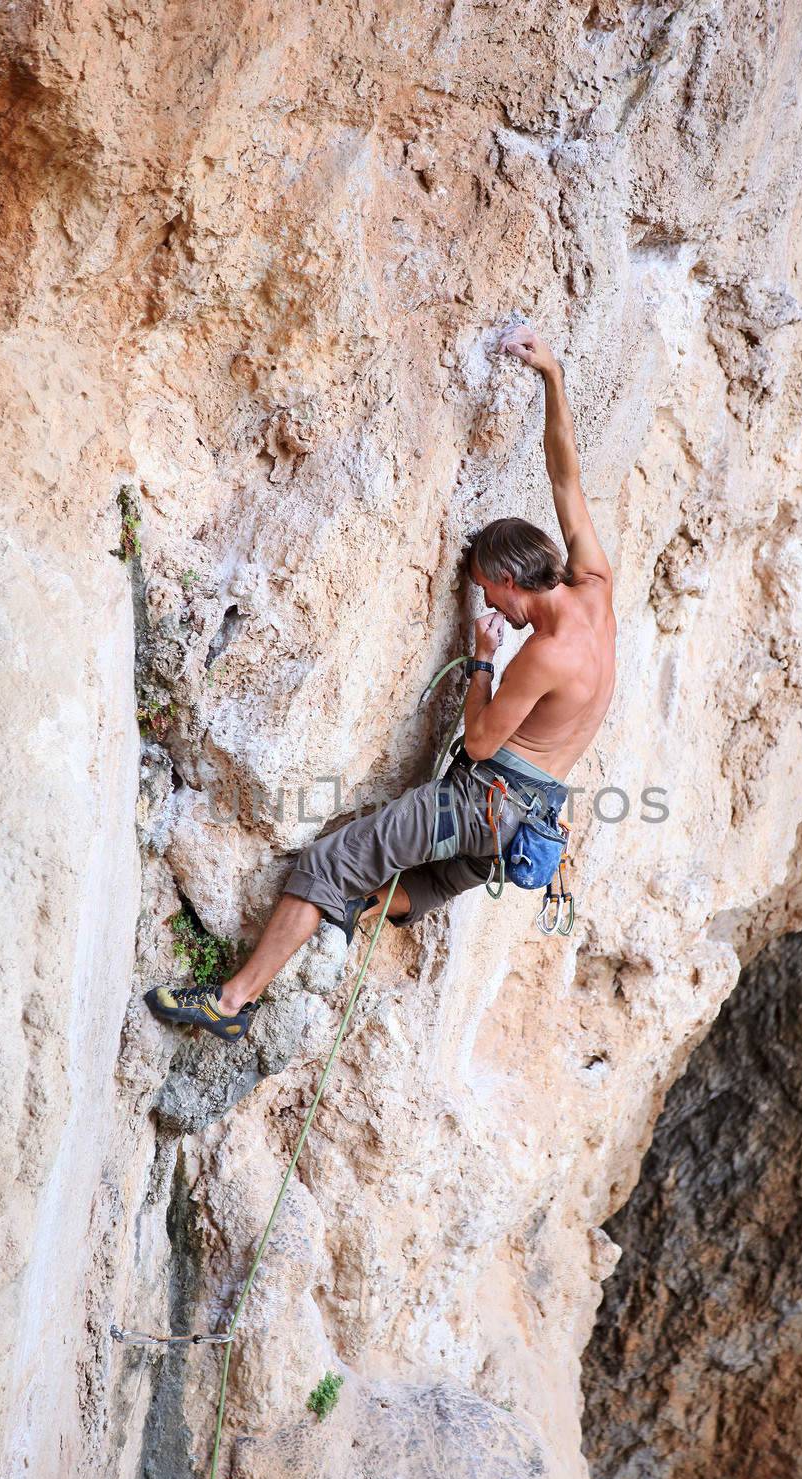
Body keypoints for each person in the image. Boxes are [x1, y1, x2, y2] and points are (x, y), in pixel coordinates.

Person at [145, 325, 617, 1043]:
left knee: (330, 861)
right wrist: (550, 375)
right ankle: (334, 927)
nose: (491, 607)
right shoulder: (595, 589)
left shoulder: (545, 652)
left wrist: (483, 658)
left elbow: (485, 743)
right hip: (528, 822)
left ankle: (231, 1002)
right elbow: (565, 479)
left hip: (482, 805)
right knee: (412, 886)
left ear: (515, 579)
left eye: (490, 593)